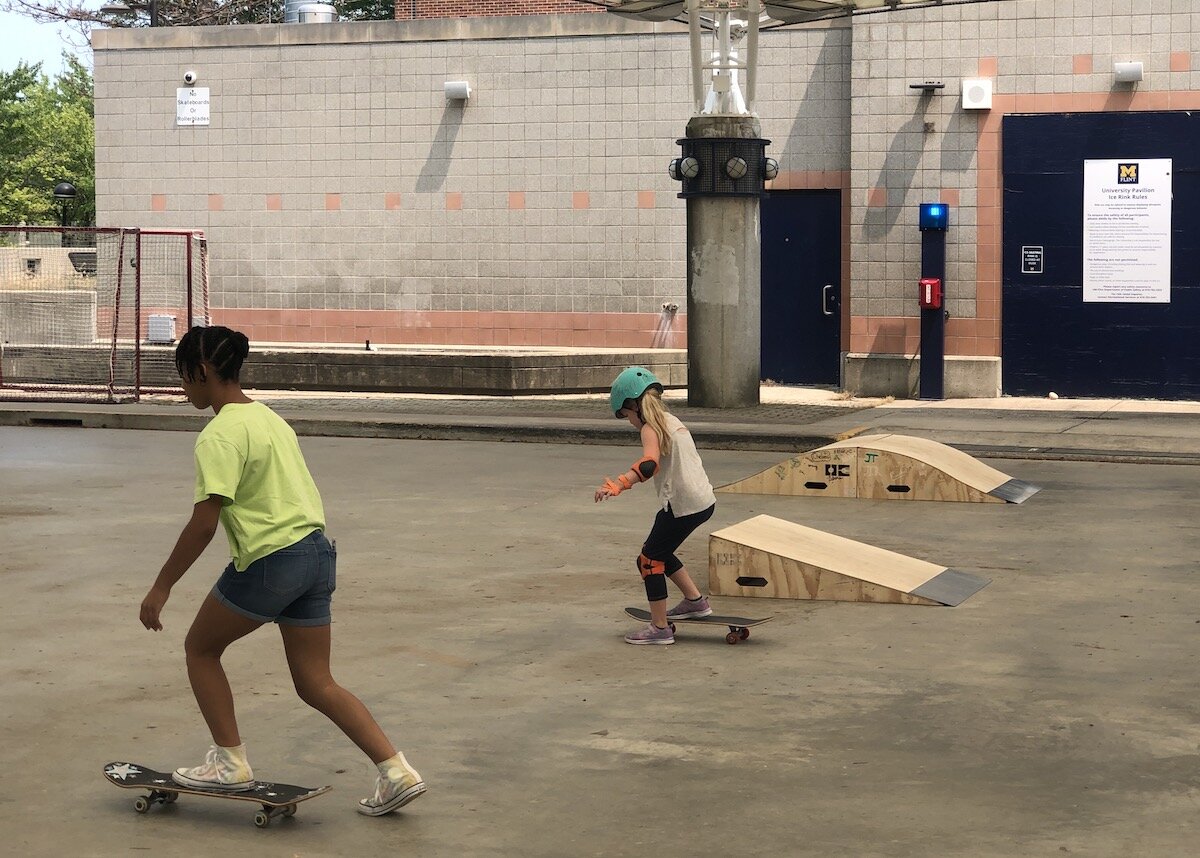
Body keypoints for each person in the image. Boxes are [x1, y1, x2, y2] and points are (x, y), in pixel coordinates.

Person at [138, 324, 425, 816]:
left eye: (183, 378)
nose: (182, 389)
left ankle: (230, 763)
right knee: (317, 681)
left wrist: (160, 587)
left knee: (200, 649)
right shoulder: (270, 419)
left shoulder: (219, 435)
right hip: (316, 555)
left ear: (202, 372)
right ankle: (396, 771)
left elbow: (204, 523)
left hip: (272, 561)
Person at [595, 367, 718, 645]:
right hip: (702, 501)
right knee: (660, 550)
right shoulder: (670, 420)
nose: (629, 421)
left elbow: (650, 464)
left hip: (682, 505)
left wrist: (619, 484)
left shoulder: (651, 427)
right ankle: (695, 602)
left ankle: (660, 628)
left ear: (633, 405)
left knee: (649, 561)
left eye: (626, 415)